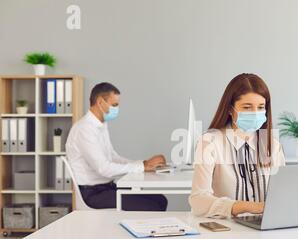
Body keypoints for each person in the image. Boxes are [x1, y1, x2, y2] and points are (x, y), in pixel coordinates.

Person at [189, 73, 285, 218]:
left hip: (266, 228)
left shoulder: (273, 145)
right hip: (225, 229)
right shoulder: (209, 143)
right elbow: (198, 201)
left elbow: (283, 194)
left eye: (261, 107)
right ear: (229, 109)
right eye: (247, 107)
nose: (255, 113)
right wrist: (245, 207)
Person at [66, 82, 168, 211]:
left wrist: (144, 163)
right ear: (100, 102)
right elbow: (104, 168)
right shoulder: (85, 129)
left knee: (160, 200)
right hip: (92, 194)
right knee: (151, 207)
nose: (117, 109)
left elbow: (113, 157)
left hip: (107, 187)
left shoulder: (101, 125)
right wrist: (141, 167)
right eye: (114, 105)